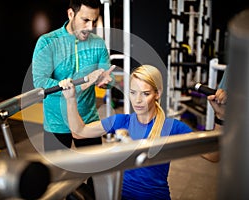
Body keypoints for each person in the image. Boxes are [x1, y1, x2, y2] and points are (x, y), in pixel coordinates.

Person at [61, 65, 193, 200]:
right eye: (133, 92)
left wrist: (217, 116)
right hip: (120, 195)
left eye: (145, 93)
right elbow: (80, 132)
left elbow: (213, 155)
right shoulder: (122, 121)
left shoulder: (172, 127)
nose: (137, 100)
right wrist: (70, 99)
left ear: (157, 93)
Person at [32, 0, 114, 151]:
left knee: (93, 171)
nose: (90, 27)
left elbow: (107, 75)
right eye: (85, 20)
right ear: (71, 14)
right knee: (58, 174)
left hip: (88, 121)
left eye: (94, 21)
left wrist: (106, 81)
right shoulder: (47, 42)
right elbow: (40, 82)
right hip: (57, 122)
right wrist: (75, 86)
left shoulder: (99, 43)